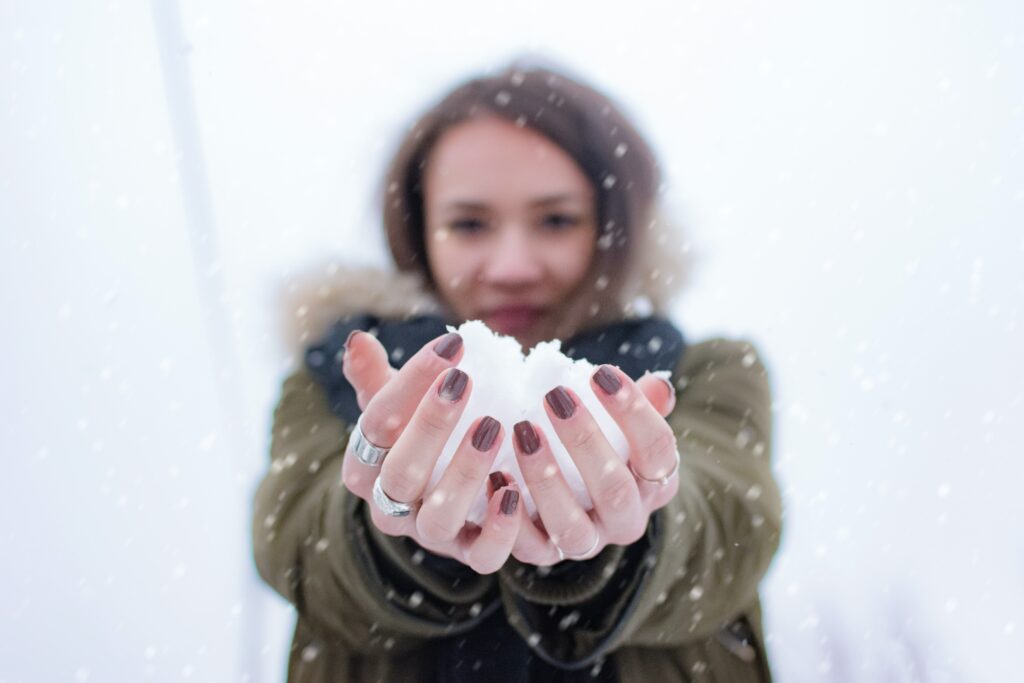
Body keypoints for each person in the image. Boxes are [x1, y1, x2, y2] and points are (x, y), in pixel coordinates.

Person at [252, 57, 782, 682]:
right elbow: (296, 549)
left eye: (556, 220)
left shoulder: (705, 371)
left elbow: (730, 531)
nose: (510, 265)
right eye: (470, 224)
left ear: (615, 227)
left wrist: (630, 528)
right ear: (420, 232)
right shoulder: (334, 377)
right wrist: (392, 535)